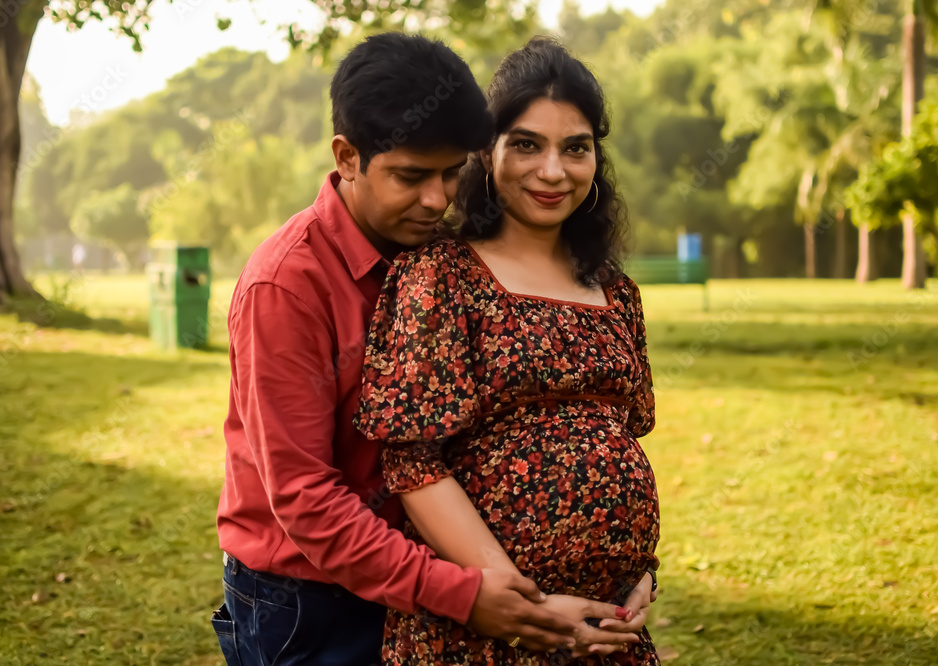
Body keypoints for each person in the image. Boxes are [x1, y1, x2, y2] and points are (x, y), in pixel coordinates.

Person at [213, 33, 636, 666]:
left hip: (420, 581)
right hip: (309, 600)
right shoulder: (287, 283)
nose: (438, 200)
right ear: (348, 156)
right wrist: (465, 595)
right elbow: (304, 496)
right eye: (411, 177)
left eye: (451, 172)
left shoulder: (438, 255)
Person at [356, 37, 661, 665]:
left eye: (575, 148)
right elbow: (414, 463)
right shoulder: (441, 277)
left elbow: (619, 443)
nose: (553, 171)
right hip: (484, 627)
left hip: (607, 631)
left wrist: (640, 574)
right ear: (486, 155)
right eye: (526, 144)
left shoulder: (616, 293)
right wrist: (521, 605)